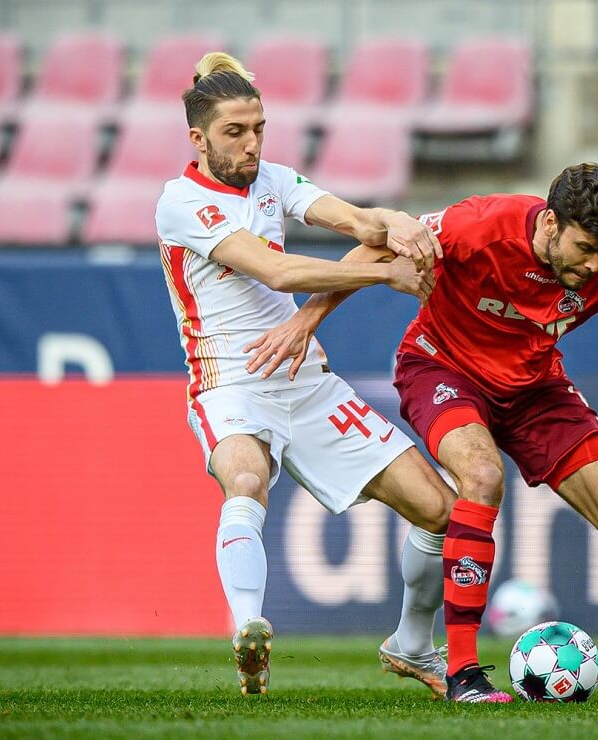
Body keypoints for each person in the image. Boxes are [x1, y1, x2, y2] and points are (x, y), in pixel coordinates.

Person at [247, 163, 598, 704]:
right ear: (550, 222)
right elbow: (377, 243)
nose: (595, 266)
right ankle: (464, 675)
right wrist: (306, 317)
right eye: (584, 248)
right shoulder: (477, 226)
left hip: (535, 389)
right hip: (441, 367)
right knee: (480, 476)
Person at [155, 52, 457, 698]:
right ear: (198, 139)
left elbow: (355, 220)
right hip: (230, 379)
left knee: (438, 509)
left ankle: (412, 645)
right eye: (235, 132)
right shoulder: (181, 203)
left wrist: (394, 225)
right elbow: (279, 272)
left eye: (259, 127)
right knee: (245, 478)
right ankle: (248, 632)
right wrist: (383, 272)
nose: (251, 143)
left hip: (306, 380)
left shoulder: (274, 179)